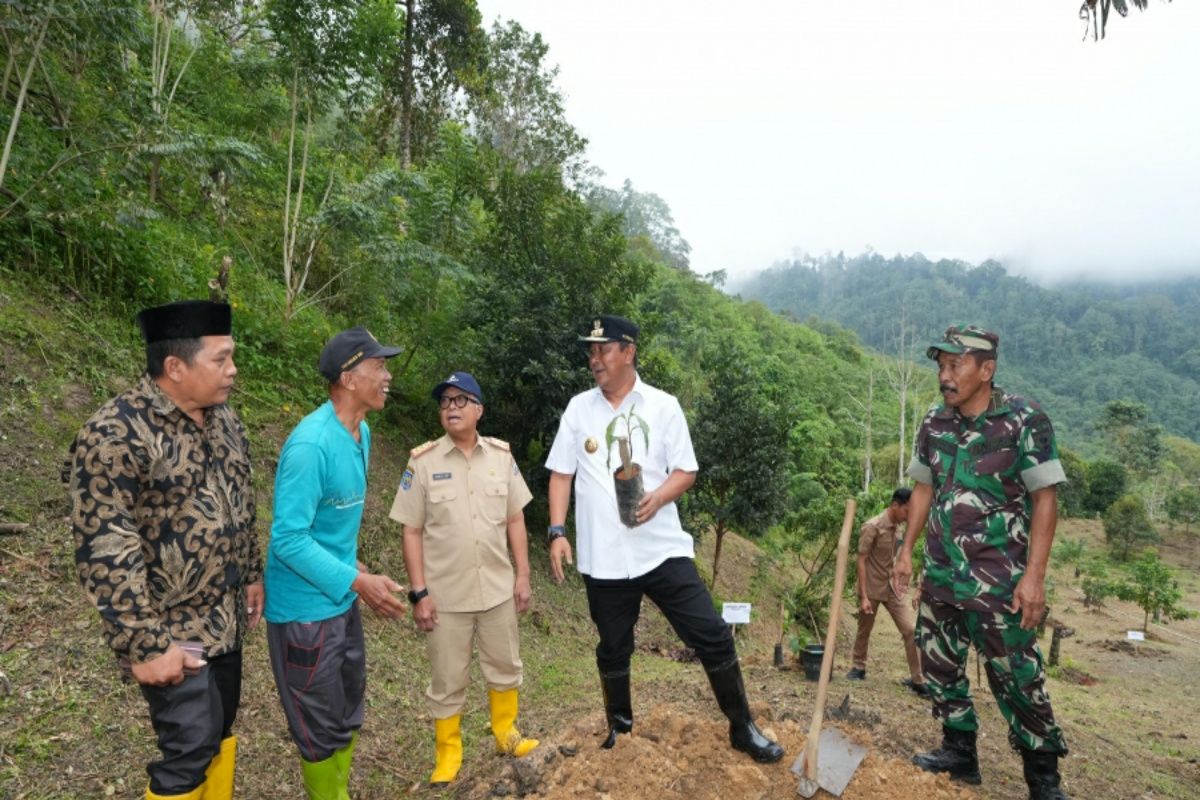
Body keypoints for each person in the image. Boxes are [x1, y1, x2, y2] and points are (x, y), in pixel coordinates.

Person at [545, 315, 783, 763]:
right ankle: (622, 730)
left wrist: (657, 498)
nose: (595, 359)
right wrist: (558, 530)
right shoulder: (579, 409)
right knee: (613, 645)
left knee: (712, 635)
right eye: (590, 351)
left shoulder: (663, 405)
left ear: (629, 351)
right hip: (603, 558)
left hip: (660, 550)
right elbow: (561, 473)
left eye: (604, 349)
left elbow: (686, 470)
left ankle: (742, 726)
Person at [68, 300, 260, 800]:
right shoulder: (115, 432)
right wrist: (145, 645)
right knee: (189, 748)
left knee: (218, 733)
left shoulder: (226, 423)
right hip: (168, 629)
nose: (232, 370)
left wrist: (253, 572)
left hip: (226, 620)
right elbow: (105, 548)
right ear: (175, 366)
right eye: (220, 359)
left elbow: (241, 502)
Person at [892, 325, 1070, 800]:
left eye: (955, 366)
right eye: (941, 367)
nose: (944, 376)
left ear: (986, 369)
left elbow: (1045, 499)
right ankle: (959, 751)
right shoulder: (934, 421)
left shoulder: (1024, 421)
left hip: (999, 580)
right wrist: (907, 551)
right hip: (942, 573)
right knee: (940, 664)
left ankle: (1043, 779)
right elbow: (924, 487)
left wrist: (1034, 579)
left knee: (1017, 676)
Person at [264, 327, 408, 800]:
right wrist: (357, 581)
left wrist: (357, 574)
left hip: (340, 601)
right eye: (379, 366)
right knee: (318, 726)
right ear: (349, 377)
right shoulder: (310, 445)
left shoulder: (361, 433)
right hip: (305, 611)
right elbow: (287, 538)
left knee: (347, 708)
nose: (387, 376)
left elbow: (329, 530)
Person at [389, 371, 539, 785]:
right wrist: (419, 593)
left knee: (505, 666)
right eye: (445, 402)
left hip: (496, 589)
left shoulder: (501, 458)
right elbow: (411, 530)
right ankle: (448, 753)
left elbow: (515, 518)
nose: (451, 408)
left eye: (460, 400)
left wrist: (523, 575)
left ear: (479, 410)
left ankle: (506, 734)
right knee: (447, 677)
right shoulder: (422, 463)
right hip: (446, 595)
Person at [846, 487, 928, 697]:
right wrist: (863, 596)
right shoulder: (872, 527)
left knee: (910, 630)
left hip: (891, 587)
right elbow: (861, 562)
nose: (909, 516)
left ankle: (918, 679)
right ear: (895, 506)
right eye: (907, 511)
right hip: (871, 587)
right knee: (864, 629)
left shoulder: (900, 529)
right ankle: (858, 666)